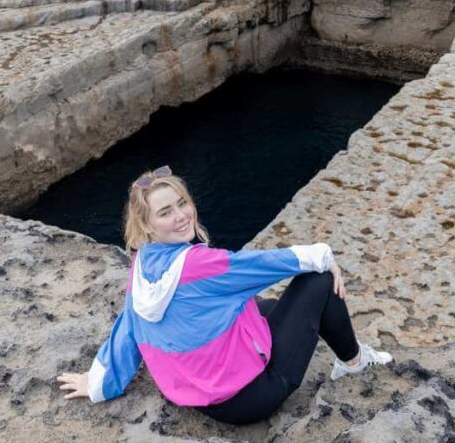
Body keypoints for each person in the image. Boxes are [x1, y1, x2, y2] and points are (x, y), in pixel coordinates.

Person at [57, 166, 392, 425]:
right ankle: (355, 363)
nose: (181, 216)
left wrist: (100, 380)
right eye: (165, 212)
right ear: (147, 225)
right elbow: (257, 265)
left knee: (267, 306)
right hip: (252, 399)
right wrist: (321, 255)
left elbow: (128, 326)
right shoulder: (198, 264)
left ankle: (342, 349)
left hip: (197, 396)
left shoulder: (142, 263)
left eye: (182, 204)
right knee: (317, 280)